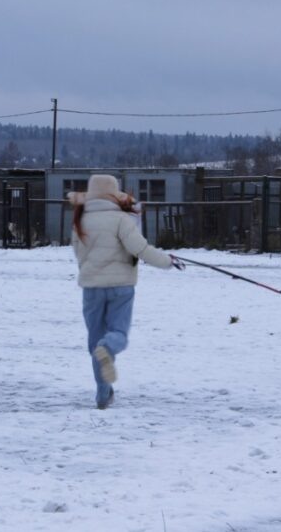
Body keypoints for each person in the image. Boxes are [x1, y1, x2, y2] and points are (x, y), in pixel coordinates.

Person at [69, 174, 184, 409]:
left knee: (95, 343)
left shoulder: (80, 220)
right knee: (117, 334)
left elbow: (79, 254)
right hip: (121, 287)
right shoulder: (121, 220)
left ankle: (103, 395)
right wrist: (167, 261)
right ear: (115, 195)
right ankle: (108, 348)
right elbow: (141, 249)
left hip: (91, 289)